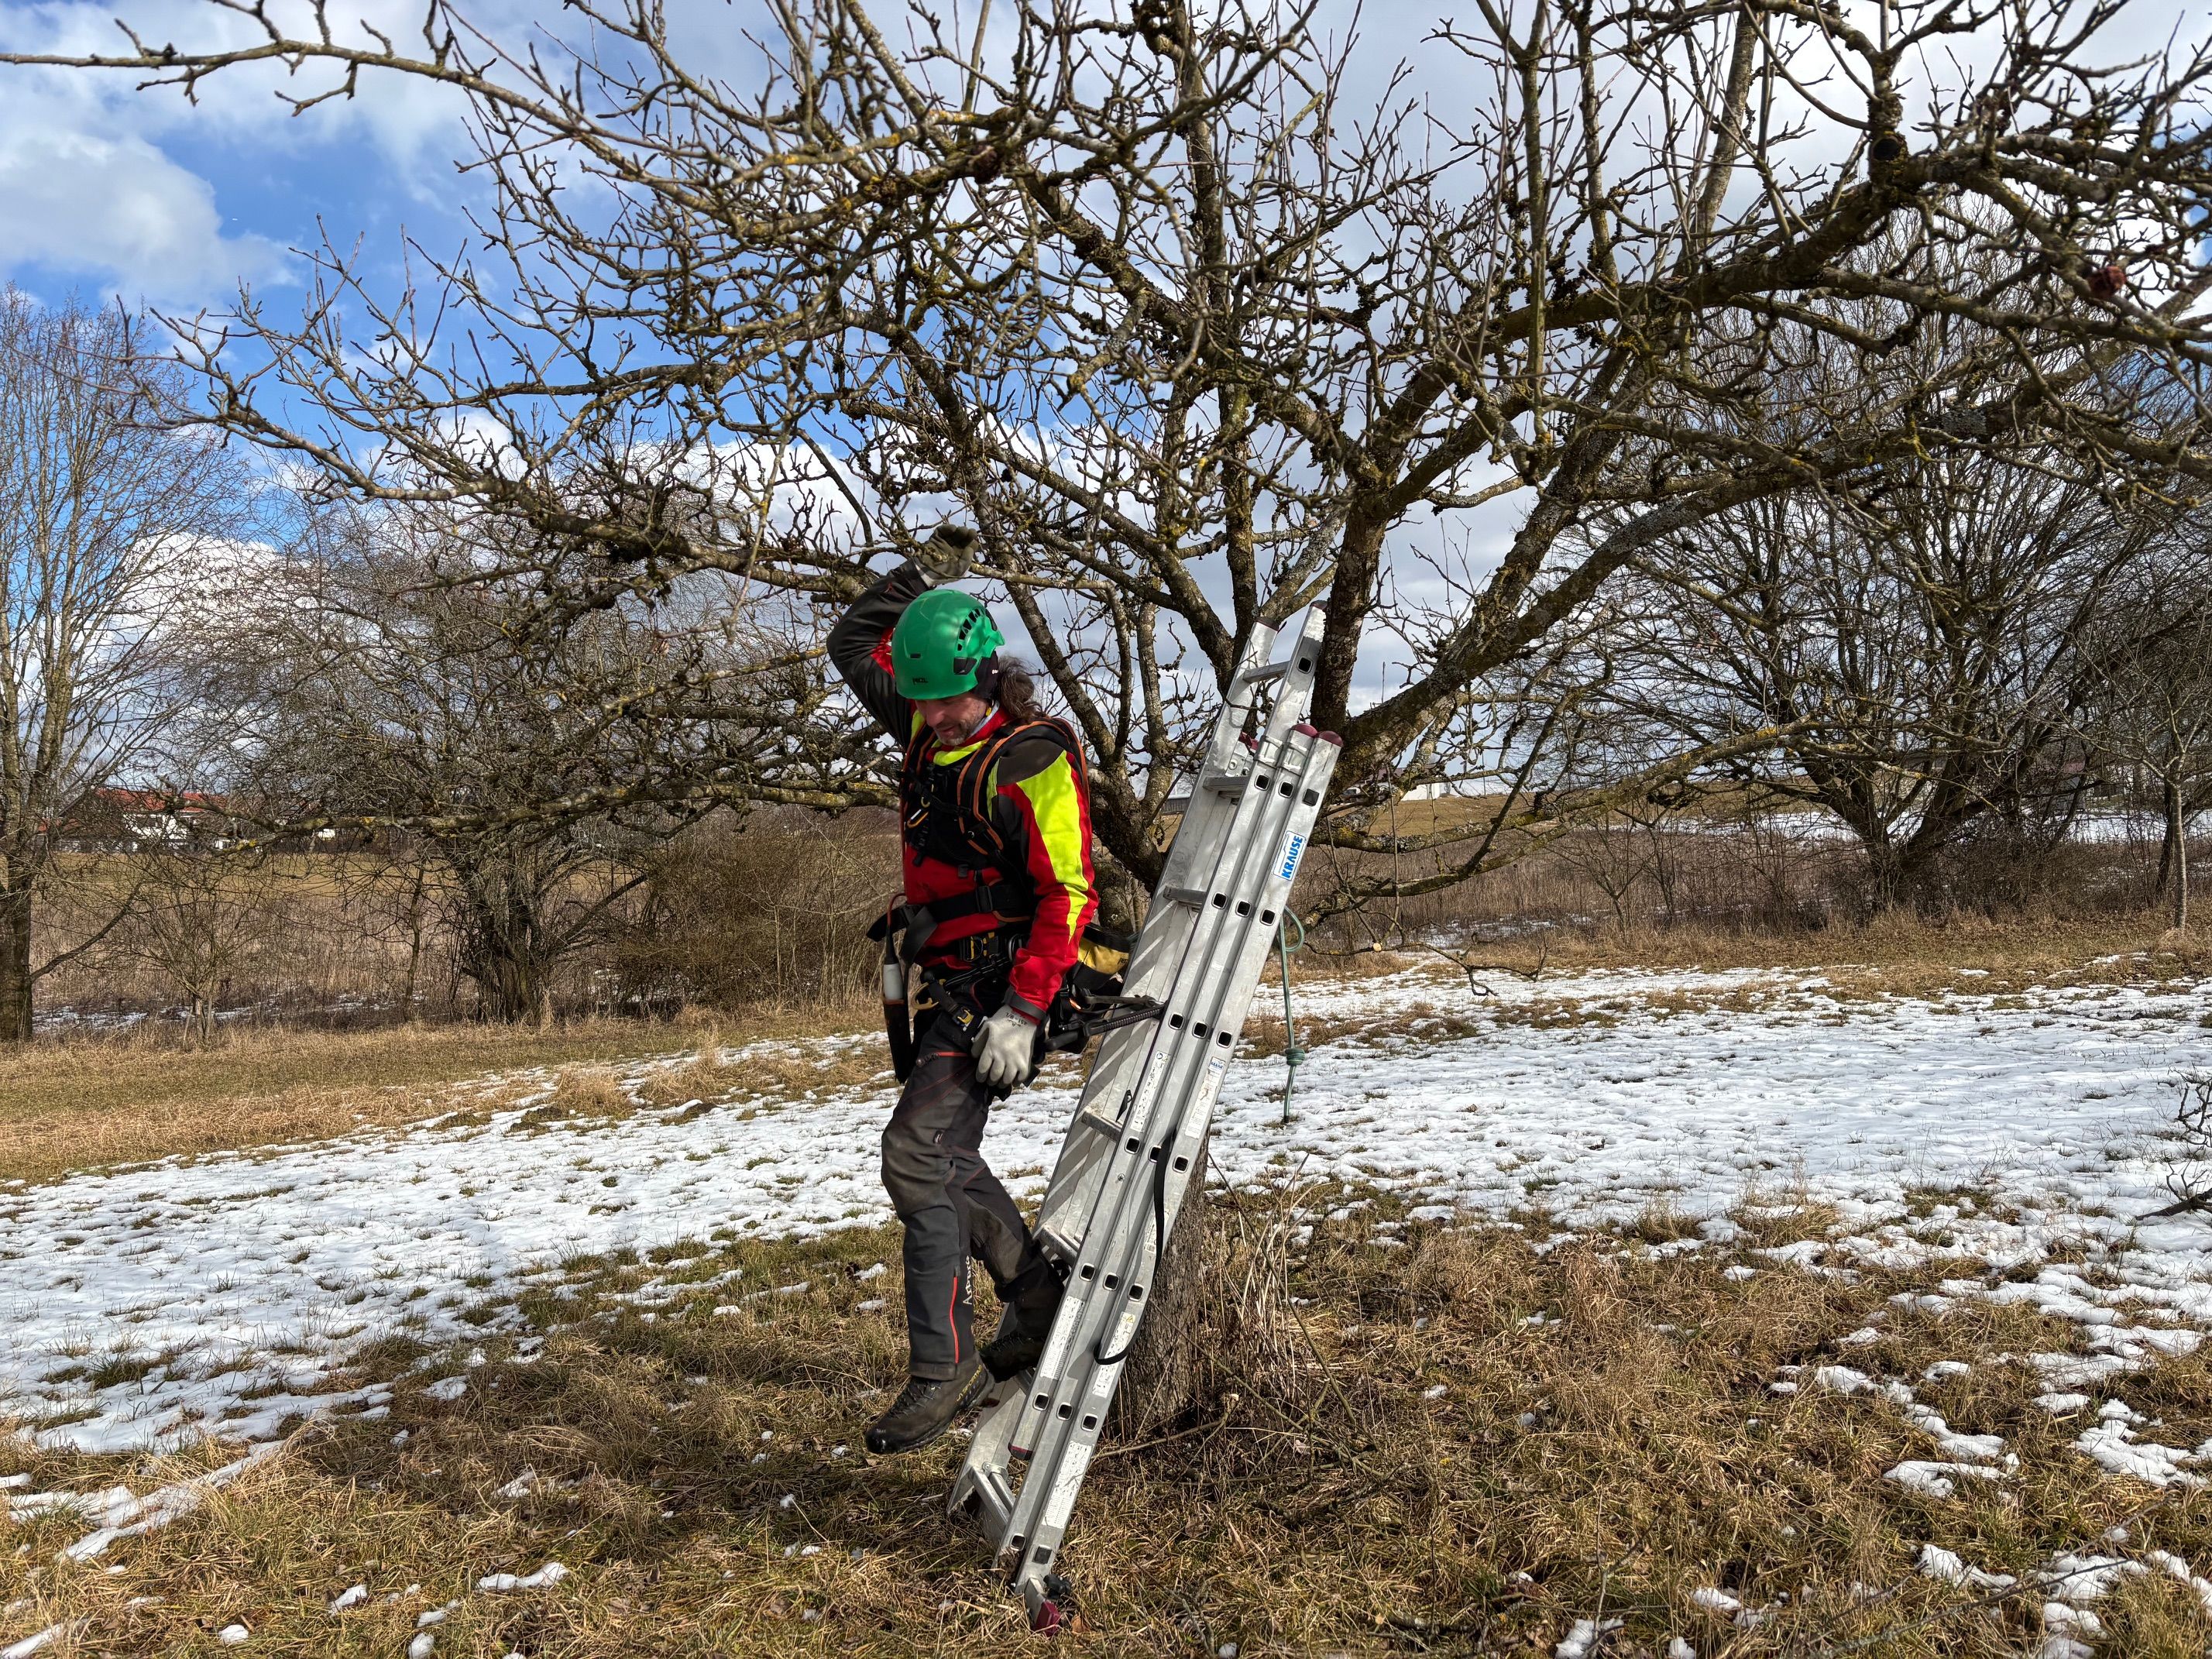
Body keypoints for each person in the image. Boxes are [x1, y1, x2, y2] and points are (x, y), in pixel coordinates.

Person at [827, 525, 1095, 1454]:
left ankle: (942, 1368)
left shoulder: (1031, 760)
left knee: (914, 1153)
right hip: (949, 983)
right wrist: (926, 571)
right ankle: (1038, 1301)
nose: (934, 717)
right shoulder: (920, 718)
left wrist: (1024, 1013)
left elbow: (1069, 892)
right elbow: (850, 640)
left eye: (949, 702)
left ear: (990, 680)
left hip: (1008, 989)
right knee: (936, 1159)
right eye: (924, 701)